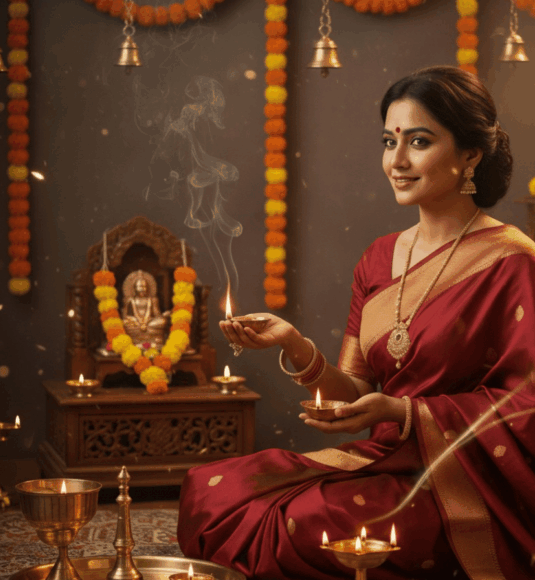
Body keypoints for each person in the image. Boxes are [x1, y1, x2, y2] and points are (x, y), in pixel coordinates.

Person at [177, 65, 535, 579]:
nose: (398, 161)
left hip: (460, 480)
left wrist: (404, 411)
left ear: (470, 154)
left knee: (300, 522)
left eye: (419, 141)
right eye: (389, 141)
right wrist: (295, 344)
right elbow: (353, 391)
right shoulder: (379, 257)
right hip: (382, 458)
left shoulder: (513, 262)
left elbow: (526, 406)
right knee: (214, 493)